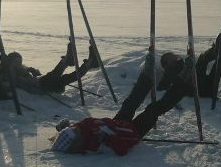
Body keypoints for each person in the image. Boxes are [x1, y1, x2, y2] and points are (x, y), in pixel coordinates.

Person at [51, 56, 193, 155]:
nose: (74, 128)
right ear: (77, 142)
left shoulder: (80, 129)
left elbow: (65, 134)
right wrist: (109, 137)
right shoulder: (95, 145)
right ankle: (183, 82)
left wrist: (63, 127)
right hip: (132, 132)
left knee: (130, 103)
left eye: (72, 128)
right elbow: (121, 150)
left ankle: (147, 75)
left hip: (117, 123)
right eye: (74, 131)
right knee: (153, 110)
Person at [157, 31, 221, 97]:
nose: (174, 56)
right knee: (202, 60)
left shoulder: (181, 64)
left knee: (220, 62)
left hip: (207, 88)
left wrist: (188, 59)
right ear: (167, 64)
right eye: (170, 58)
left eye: (172, 55)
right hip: (197, 90)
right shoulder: (170, 72)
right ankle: (214, 51)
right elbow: (161, 86)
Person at [3, 41, 98, 95]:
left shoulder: (21, 69)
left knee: (67, 78)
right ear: (10, 63)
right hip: (41, 87)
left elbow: (34, 77)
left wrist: (34, 72)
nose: (19, 64)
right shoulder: (10, 74)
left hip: (49, 86)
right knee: (53, 75)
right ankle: (69, 61)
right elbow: (13, 83)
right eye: (16, 62)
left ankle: (89, 64)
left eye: (20, 61)